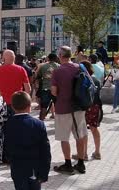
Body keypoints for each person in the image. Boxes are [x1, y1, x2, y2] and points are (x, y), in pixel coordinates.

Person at [51, 46, 88, 174]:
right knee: (80, 135)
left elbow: (54, 92)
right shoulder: (80, 67)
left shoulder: (57, 71)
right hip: (79, 106)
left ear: (61, 56)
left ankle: (67, 164)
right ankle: (81, 164)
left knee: (64, 137)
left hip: (63, 107)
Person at [4, 91, 51, 190]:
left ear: (12, 107)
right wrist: (44, 172)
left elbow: (7, 146)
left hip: (17, 168)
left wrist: (9, 158)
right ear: (29, 106)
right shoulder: (39, 124)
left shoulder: (8, 124)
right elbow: (46, 151)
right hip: (35, 169)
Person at [79, 61, 103, 161]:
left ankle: (84, 154)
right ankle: (97, 152)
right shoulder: (96, 80)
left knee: (84, 130)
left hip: (85, 107)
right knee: (94, 128)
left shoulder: (81, 79)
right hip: (96, 106)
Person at [35, 53, 60, 120]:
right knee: (58, 107)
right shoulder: (59, 66)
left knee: (43, 107)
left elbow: (38, 76)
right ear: (56, 58)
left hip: (45, 88)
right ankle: (58, 123)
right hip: (56, 89)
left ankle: (41, 122)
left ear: (48, 58)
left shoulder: (43, 66)